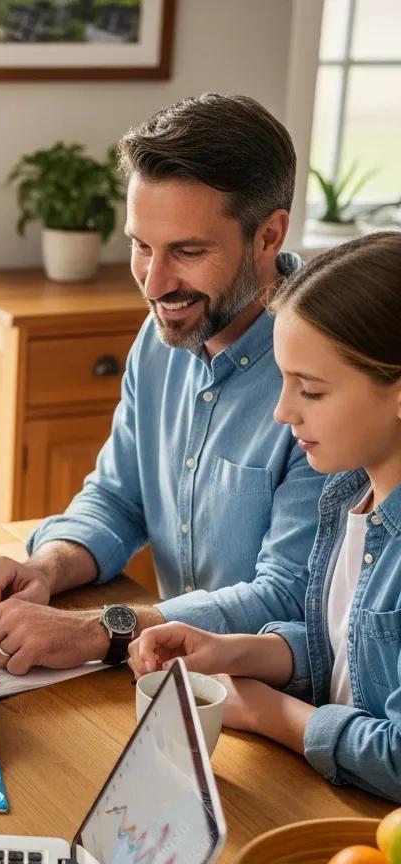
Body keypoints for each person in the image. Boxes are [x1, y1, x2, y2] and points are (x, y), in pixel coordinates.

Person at [0, 94, 323, 676]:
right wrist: (48, 567)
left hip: (279, 706)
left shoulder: (326, 373)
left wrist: (100, 630)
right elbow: (119, 497)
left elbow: (286, 600)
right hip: (175, 685)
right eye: (141, 246)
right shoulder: (162, 334)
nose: (155, 281)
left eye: (188, 252)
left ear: (269, 236)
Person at [129, 233, 401, 801]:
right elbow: (352, 661)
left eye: (311, 390)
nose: (282, 411)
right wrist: (235, 649)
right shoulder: (348, 498)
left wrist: (273, 715)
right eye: (283, 381)